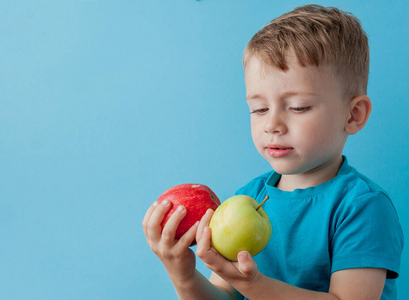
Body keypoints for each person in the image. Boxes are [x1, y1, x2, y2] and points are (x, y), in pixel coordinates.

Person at [142, 4, 404, 299]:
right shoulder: (247, 198)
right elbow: (223, 296)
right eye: (259, 109)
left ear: (353, 115)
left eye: (298, 107)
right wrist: (183, 273)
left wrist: (254, 286)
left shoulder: (362, 207)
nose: (273, 124)